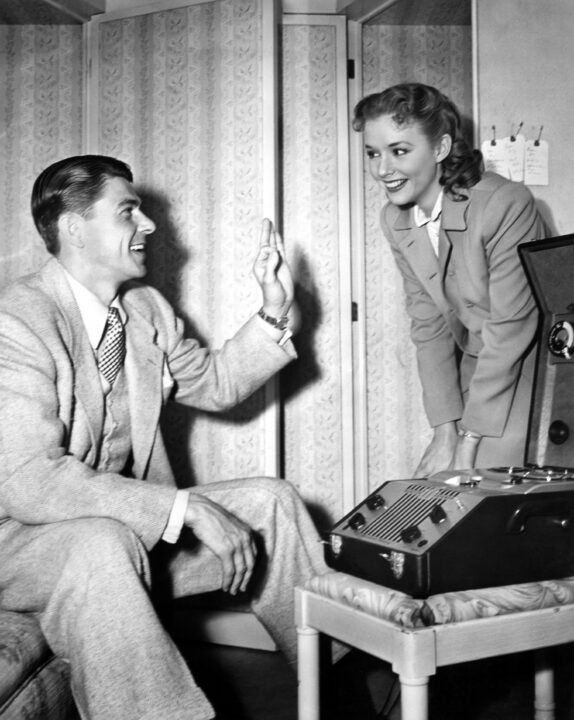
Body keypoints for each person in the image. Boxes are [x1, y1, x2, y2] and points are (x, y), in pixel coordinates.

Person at [0, 154, 346, 720]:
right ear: (73, 227)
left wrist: (275, 309)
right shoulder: (17, 321)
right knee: (99, 544)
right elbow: (26, 479)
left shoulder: (145, 310)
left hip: (122, 530)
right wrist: (183, 509)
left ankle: (340, 687)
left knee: (273, 504)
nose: (151, 226)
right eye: (129, 211)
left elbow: (217, 383)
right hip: (18, 543)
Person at [353, 82, 549, 476]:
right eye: (373, 153)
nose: (382, 169)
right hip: (479, 361)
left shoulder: (505, 204)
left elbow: (511, 328)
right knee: (444, 481)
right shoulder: (396, 220)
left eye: (399, 151)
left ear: (440, 149)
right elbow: (428, 326)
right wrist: (445, 431)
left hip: (535, 363)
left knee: (485, 483)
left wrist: (470, 439)